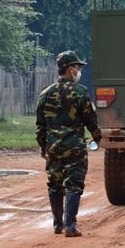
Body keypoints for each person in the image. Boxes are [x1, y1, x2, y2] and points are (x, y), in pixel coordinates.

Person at [35, 51, 101, 237]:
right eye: (78, 67)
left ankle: (57, 225)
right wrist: (97, 137)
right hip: (75, 148)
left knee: (54, 184)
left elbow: (40, 126)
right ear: (71, 69)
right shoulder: (80, 92)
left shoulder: (45, 94)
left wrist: (43, 147)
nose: (78, 71)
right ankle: (70, 225)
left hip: (53, 148)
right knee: (74, 184)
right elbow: (91, 120)